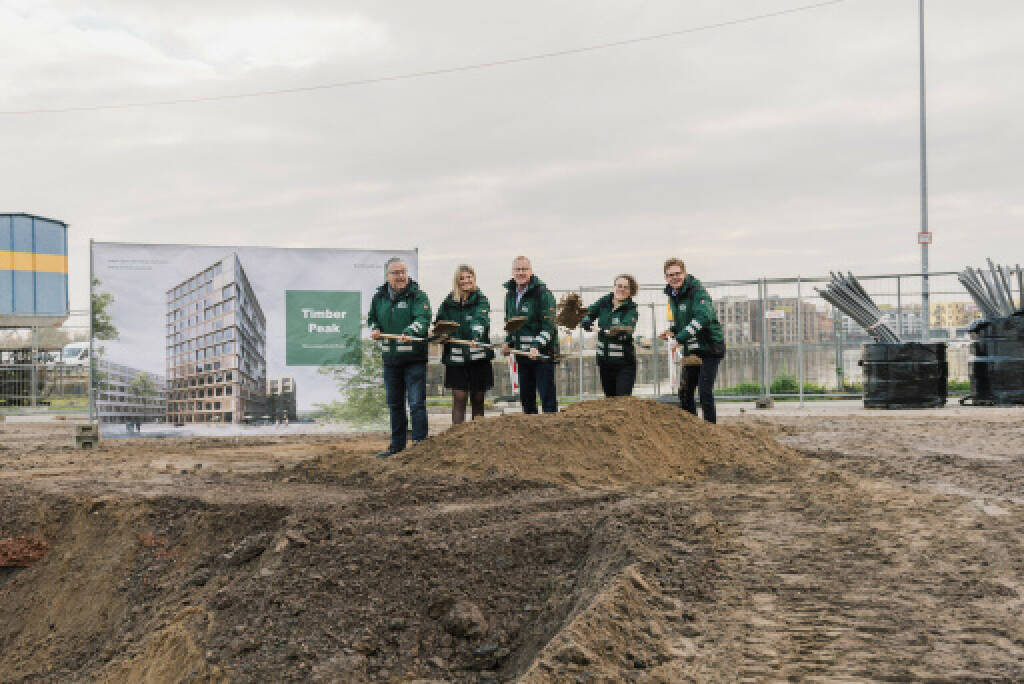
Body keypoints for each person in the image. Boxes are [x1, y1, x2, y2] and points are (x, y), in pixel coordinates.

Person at [368, 257, 431, 457]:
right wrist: (375, 329)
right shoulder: (378, 297)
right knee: (395, 405)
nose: (401, 276)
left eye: (403, 271)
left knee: (416, 404)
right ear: (387, 276)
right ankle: (397, 446)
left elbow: (423, 320)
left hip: (414, 360)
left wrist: (411, 331)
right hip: (391, 361)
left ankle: (420, 447)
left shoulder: (418, 296)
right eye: (396, 273)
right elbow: (372, 319)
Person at [658, 258, 725, 423]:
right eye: (670, 275)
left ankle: (710, 429)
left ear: (684, 273)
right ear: (666, 278)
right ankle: (693, 429)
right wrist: (672, 332)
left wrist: (679, 339)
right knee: (685, 392)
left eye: (677, 274)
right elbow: (683, 323)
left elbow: (702, 318)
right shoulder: (673, 295)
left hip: (710, 348)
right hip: (691, 351)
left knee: (704, 391)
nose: (674, 277)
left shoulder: (698, 292)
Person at [435, 264, 494, 424]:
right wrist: (441, 334)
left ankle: (477, 439)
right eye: (462, 278)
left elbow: (480, 319)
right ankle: (457, 438)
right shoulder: (448, 302)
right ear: (457, 281)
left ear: (474, 278)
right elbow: (440, 322)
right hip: (456, 360)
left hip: (478, 360)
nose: (466, 281)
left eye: (469, 277)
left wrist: (476, 335)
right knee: (459, 399)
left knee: (478, 398)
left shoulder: (481, 300)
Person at [501, 256, 558, 414]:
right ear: (512, 272)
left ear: (531, 271)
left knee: (547, 398)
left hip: (541, 354)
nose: (521, 273)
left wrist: (536, 346)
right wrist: (508, 343)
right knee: (527, 399)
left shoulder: (543, 294)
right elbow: (511, 325)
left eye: (524, 269)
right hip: (522, 355)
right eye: (517, 269)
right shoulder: (510, 295)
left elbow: (549, 326)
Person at [582, 274, 640, 397]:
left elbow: (626, 329)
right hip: (604, 363)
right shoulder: (604, 302)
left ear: (630, 291)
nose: (622, 289)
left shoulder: (631, 309)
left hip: (624, 364)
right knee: (610, 400)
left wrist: (609, 331)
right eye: (619, 286)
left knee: (622, 400)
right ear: (614, 287)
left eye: (626, 287)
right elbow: (589, 312)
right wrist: (587, 320)